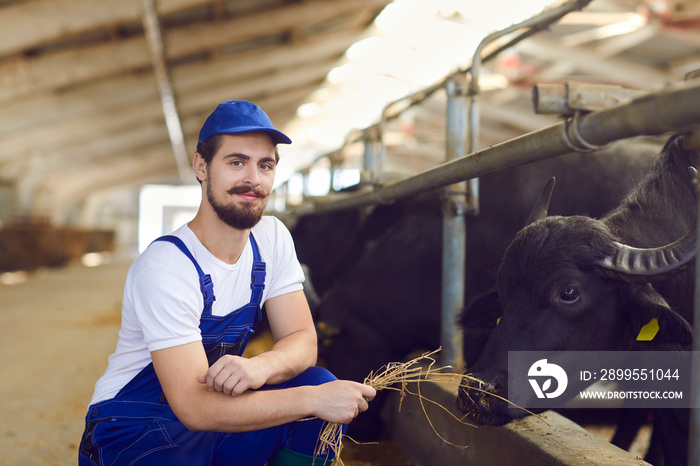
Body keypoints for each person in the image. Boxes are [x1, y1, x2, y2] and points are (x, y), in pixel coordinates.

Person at [78, 100, 376, 466]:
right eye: (237, 162)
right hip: (138, 431)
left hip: (213, 421)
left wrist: (260, 367)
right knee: (315, 395)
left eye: (264, 165)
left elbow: (302, 339)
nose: (252, 178)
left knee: (316, 379)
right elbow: (194, 407)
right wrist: (312, 401)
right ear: (202, 167)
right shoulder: (166, 266)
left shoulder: (272, 238)